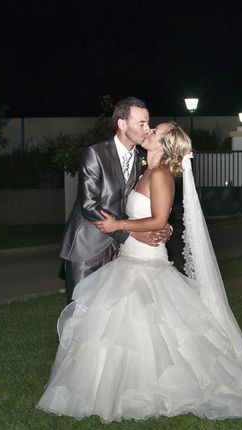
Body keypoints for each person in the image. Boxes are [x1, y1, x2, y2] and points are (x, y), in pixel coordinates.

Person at [37, 122, 242, 422]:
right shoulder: (144, 171)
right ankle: (108, 389)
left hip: (148, 266)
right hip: (128, 260)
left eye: (157, 131)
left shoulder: (162, 175)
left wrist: (120, 224)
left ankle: (151, 390)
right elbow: (152, 223)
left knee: (149, 332)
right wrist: (132, 230)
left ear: (165, 146)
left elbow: (159, 220)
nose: (149, 131)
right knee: (118, 331)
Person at [60, 97, 170, 301]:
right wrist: (131, 234)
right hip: (87, 248)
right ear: (122, 123)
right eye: (142, 123)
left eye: (148, 123)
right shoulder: (95, 154)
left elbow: (139, 203)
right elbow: (89, 206)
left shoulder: (141, 160)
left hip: (117, 254)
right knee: (80, 316)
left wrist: (164, 226)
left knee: (105, 318)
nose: (147, 129)